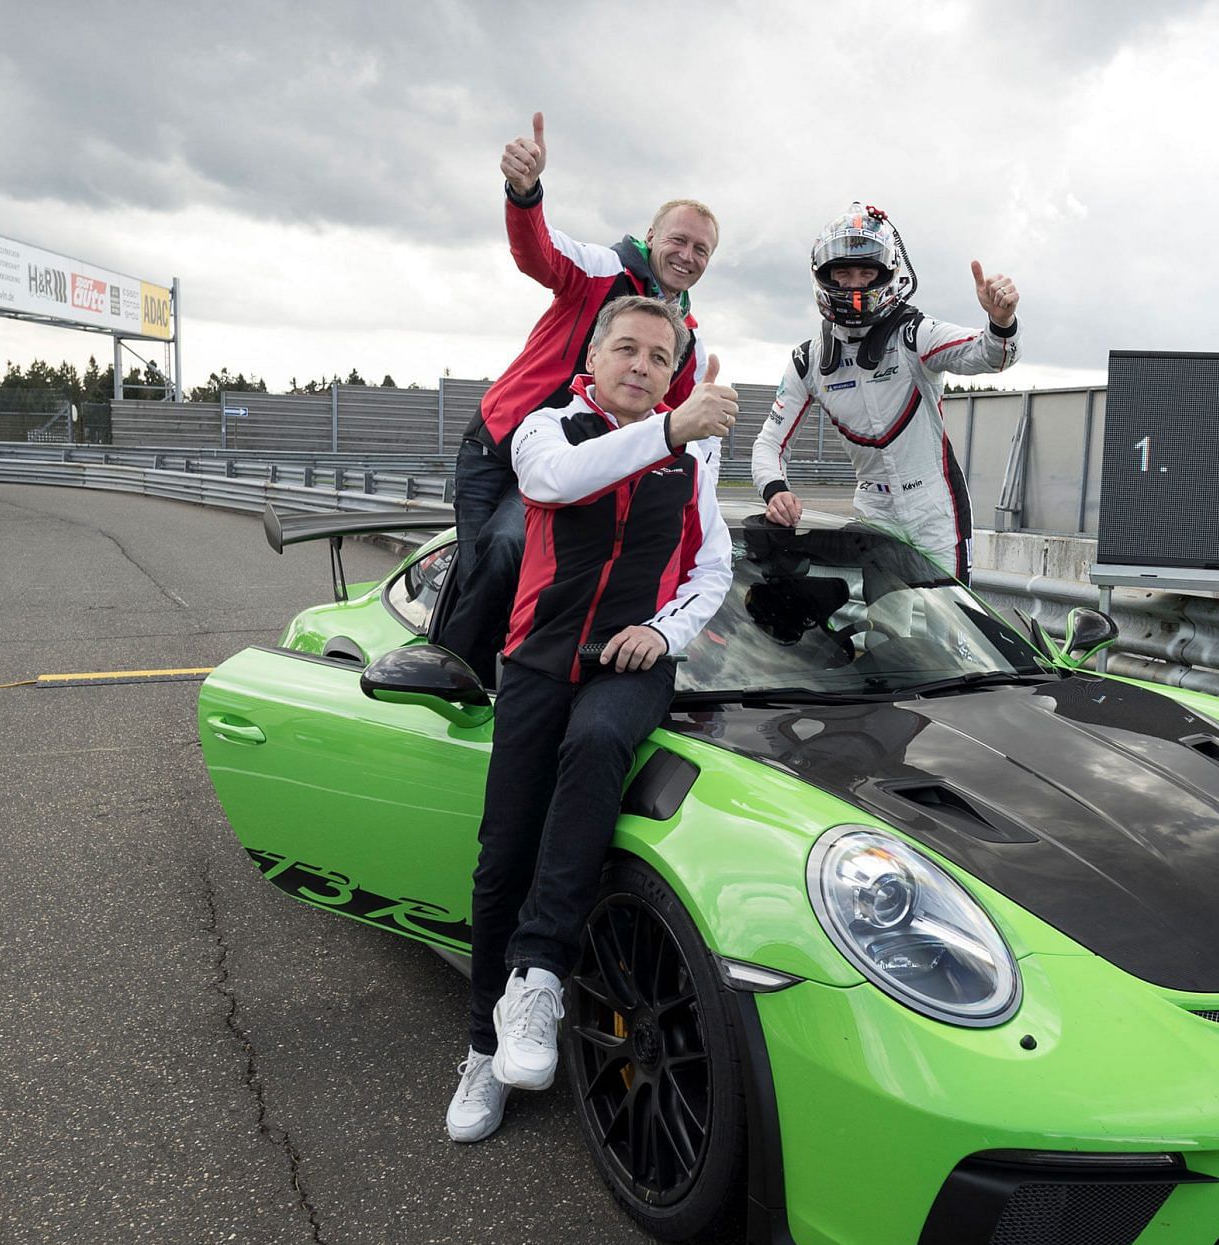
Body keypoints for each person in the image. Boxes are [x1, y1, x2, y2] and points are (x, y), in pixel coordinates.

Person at [446, 294, 739, 1143]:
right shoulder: (549, 428)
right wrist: (675, 428)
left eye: (658, 356)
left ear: (671, 368)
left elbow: (712, 566)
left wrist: (664, 628)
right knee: (502, 859)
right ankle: (479, 1049)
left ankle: (538, 978)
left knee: (601, 738)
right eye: (627, 350)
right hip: (538, 662)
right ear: (597, 356)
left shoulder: (691, 457)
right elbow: (555, 483)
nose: (641, 366)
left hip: (628, 662)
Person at [433, 111, 719, 681]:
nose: (688, 255)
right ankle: (449, 676)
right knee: (495, 557)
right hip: (502, 444)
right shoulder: (603, 267)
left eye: (702, 250)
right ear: (652, 236)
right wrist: (524, 191)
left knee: (538, 576)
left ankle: (515, 683)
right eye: (679, 240)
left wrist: (701, 520)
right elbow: (537, 251)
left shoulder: (685, 339)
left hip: (581, 464)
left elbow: (679, 431)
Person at [749, 203, 1020, 580]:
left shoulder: (914, 333)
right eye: (843, 273)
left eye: (866, 272)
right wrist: (775, 490)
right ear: (824, 277)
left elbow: (990, 356)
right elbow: (768, 444)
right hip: (873, 511)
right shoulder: (807, 360)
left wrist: (1001, 321)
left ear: (887, 274)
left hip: (935, 507)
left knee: (953, 629)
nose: (855, 283)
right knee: (887, 632)